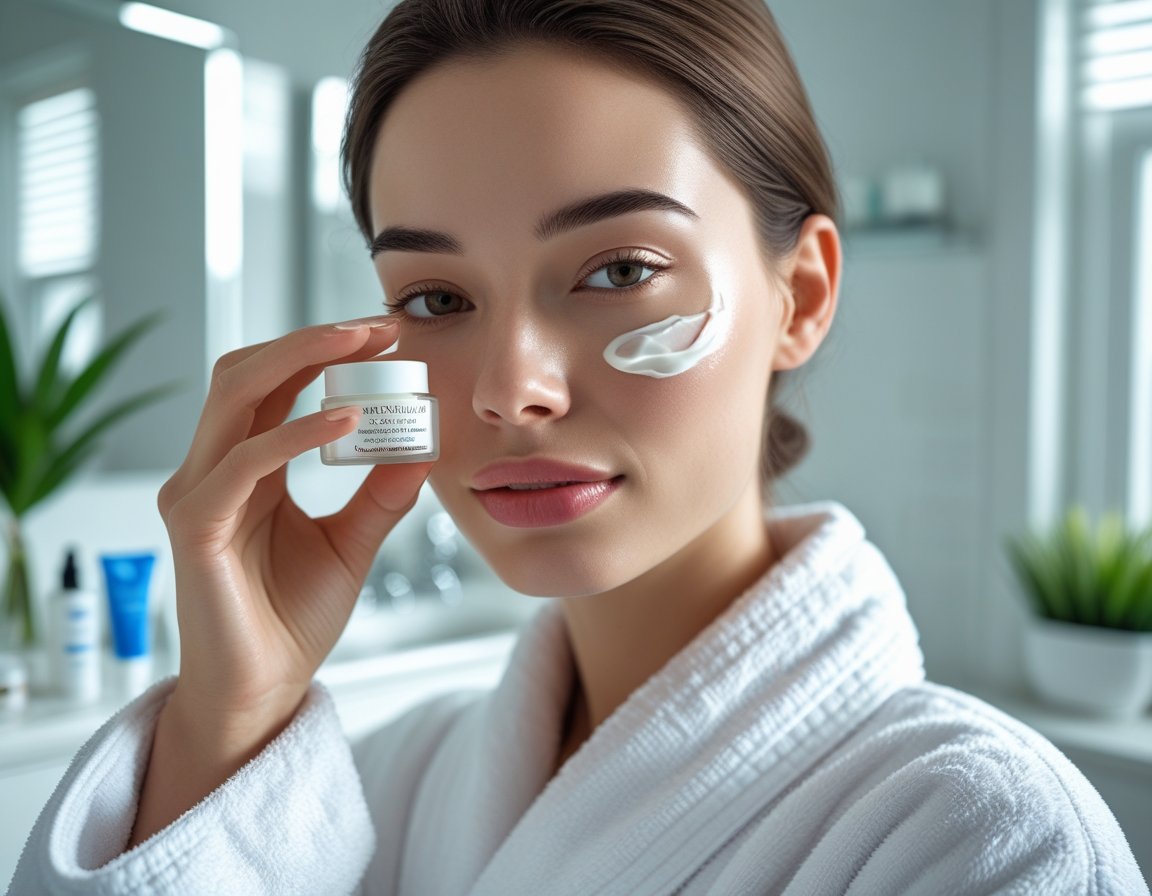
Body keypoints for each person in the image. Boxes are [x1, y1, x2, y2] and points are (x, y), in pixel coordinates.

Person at [10, 0, 1147, 893]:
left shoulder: (981, 841)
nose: (510, 390)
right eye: (440, 296)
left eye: (617, 271)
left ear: (800, 294)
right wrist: (228, 718)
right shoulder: (388, 782)